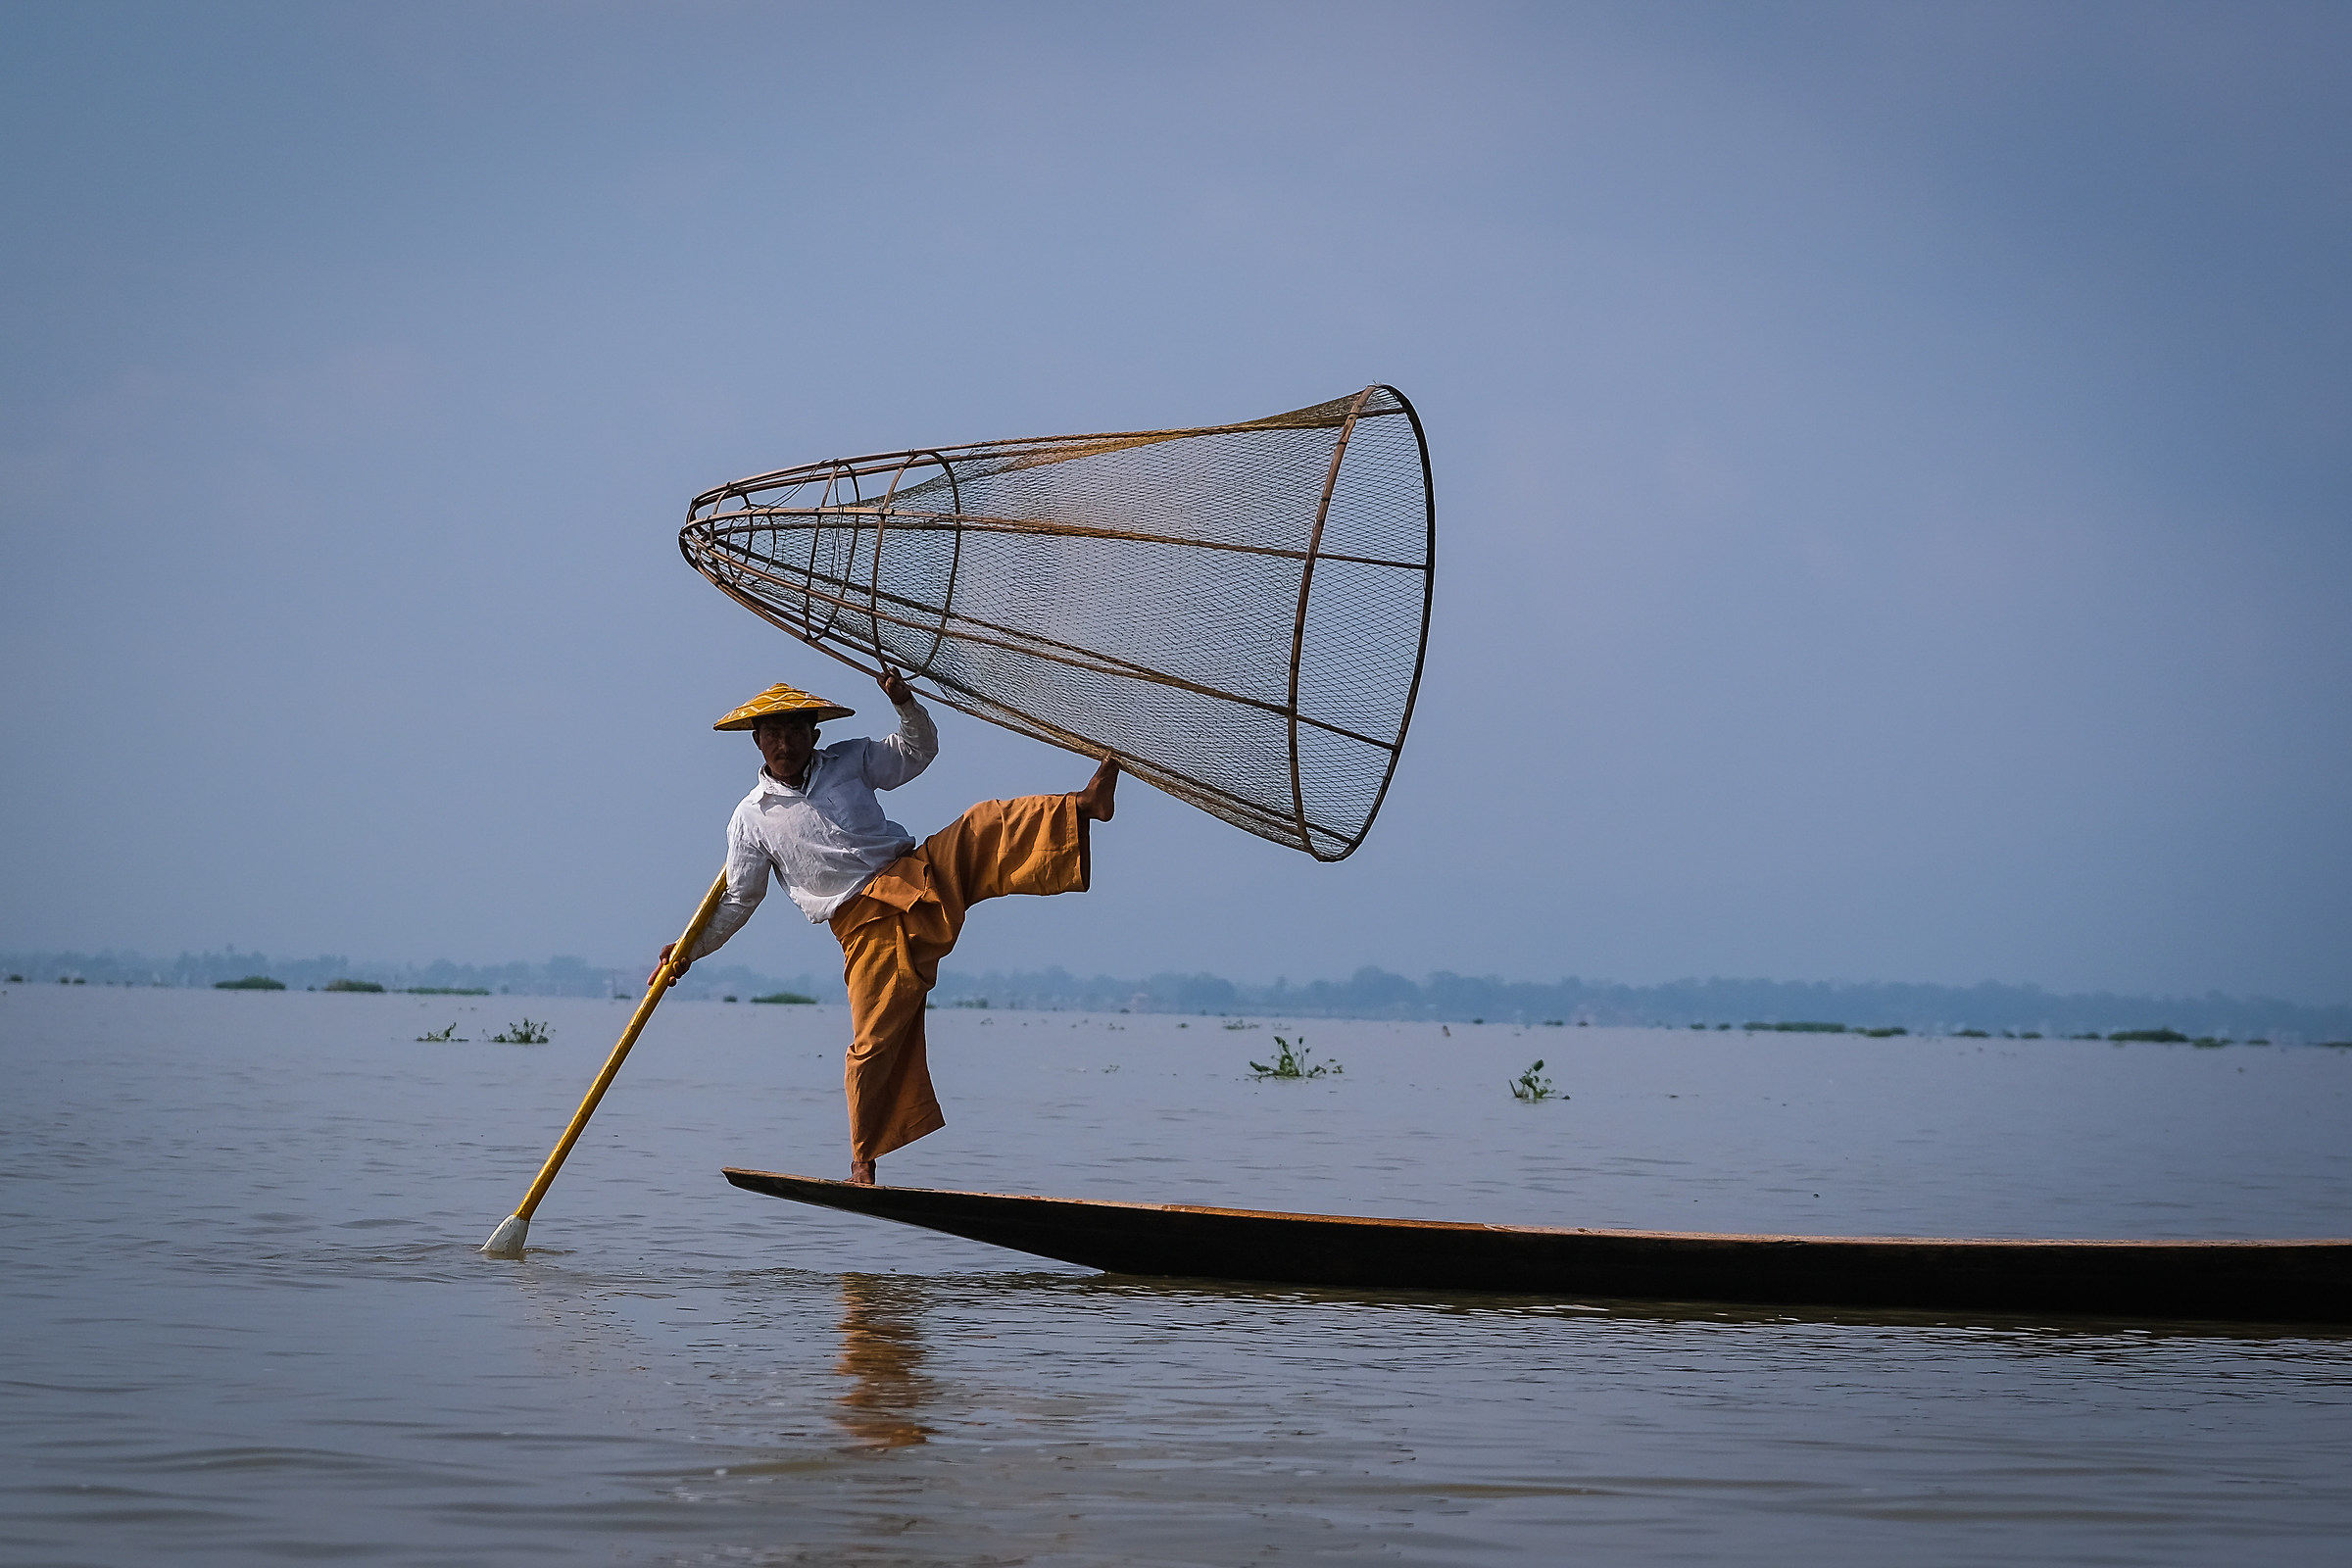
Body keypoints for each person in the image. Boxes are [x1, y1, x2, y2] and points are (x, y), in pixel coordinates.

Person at [657, 668, 1117, 1185]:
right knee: (872, 1042)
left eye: (793, 731)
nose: (783, 743)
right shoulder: (751, 818)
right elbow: (740, 900)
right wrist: (689, 950)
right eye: (772, 734)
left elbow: (916, 753)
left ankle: (1083, 805)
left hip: (916, 873)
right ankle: (863, 1157)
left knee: (984, 822)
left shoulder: (849, 760)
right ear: (756, 742)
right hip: (864, 925)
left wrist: (905, 704)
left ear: (814, 733)